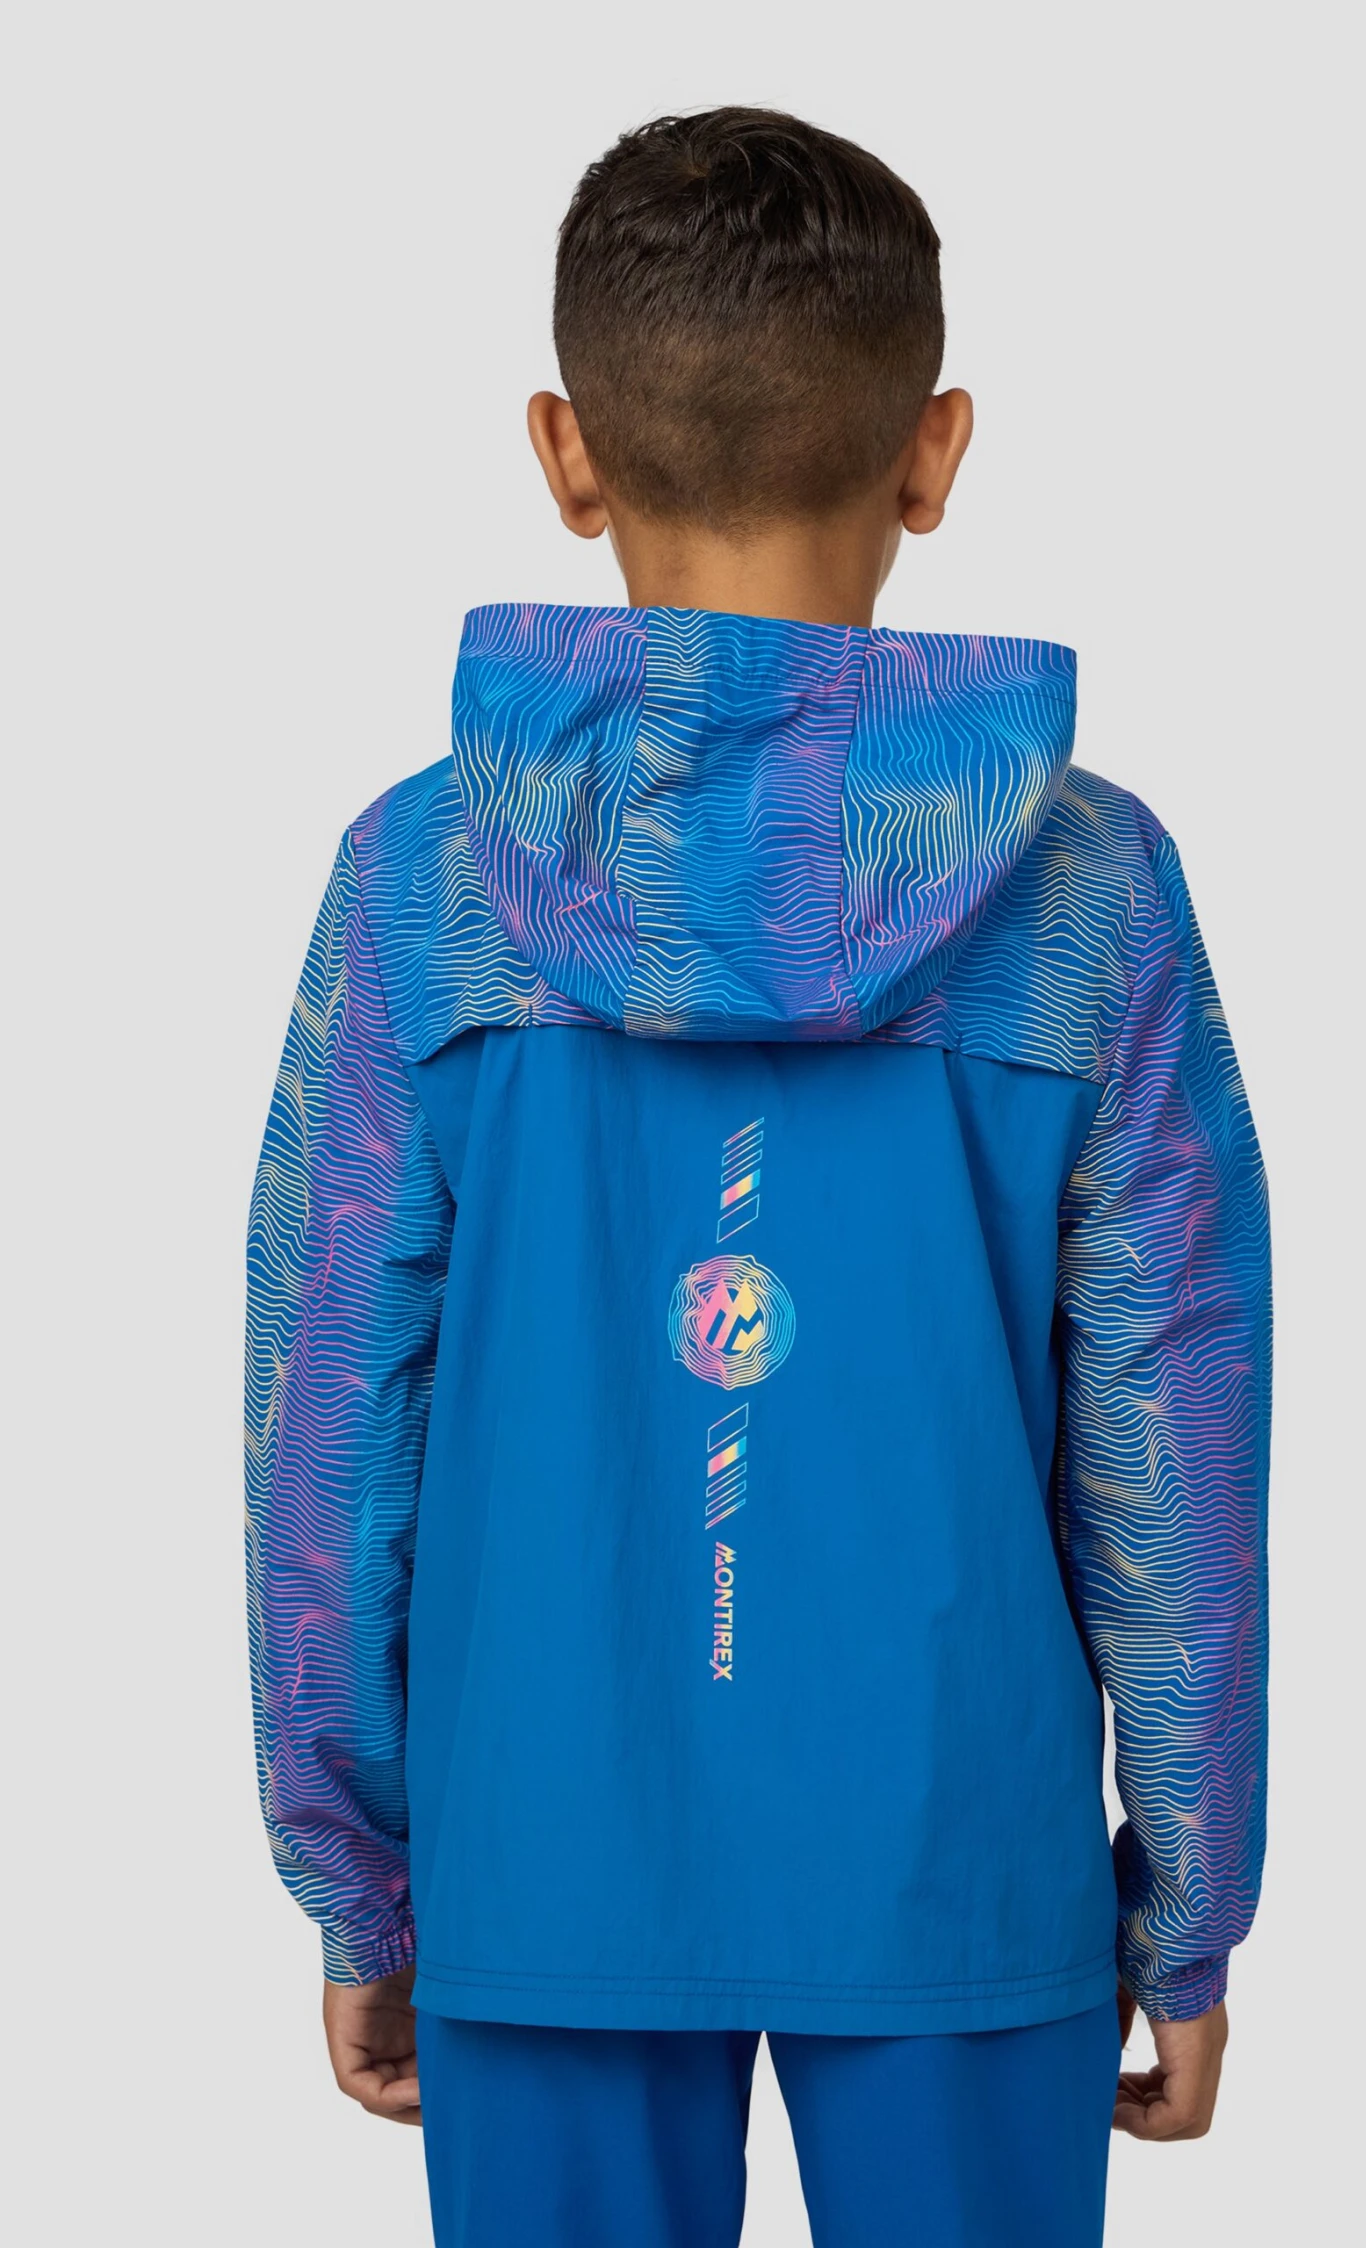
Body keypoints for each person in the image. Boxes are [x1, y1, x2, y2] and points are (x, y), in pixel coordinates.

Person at [246, 106, 1271, 2248]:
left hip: (546, 1858)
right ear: (934, 450)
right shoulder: (1089, 891)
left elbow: (329, 1421)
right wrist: (1185, 1904)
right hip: (959, 1866)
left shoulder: (422, 882)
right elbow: (1173, 1438)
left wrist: (364, 1880)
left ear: (565, 451)